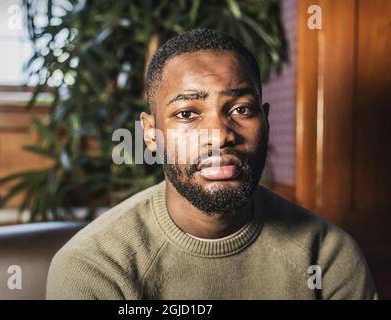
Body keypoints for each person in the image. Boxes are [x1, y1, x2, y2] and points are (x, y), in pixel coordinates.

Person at [46, 28, 377, 299]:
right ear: (150, 134)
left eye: (241, 109)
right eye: (187, 113)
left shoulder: (328, 257)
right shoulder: (93, 267)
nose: (219, 136)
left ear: (266, 120)